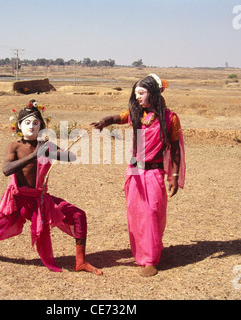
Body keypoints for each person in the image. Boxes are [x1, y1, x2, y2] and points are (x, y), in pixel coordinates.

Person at [0, 100, 102, 275]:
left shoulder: (46, 145)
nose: (31, 126)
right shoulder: (15, 146)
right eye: (27, 123)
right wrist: (34, 155)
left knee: (78, 216)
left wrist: (55, 152)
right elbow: (6, 169)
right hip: (17, 200)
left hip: (40, 199)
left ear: (42, 125)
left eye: (35, 123)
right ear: (18, 126)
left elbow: (70, 157)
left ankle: (80, 262)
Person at [90, 74, 185, 277]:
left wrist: (174, 176)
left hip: (155, 171)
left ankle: (151, 258)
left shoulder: (170, 118)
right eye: (136, 94)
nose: (138, 97)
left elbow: (175, 150)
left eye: (141, 93)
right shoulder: (135, 114)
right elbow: (117, 118)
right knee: (136, 215)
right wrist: (103, 122)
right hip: (134, 171)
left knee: (152, 213)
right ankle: (144, 255)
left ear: (154, 93)